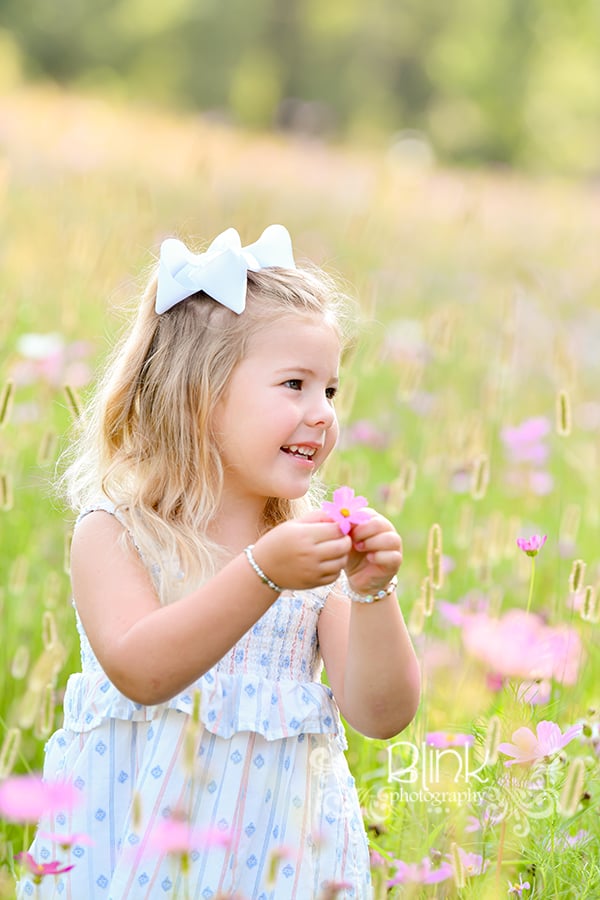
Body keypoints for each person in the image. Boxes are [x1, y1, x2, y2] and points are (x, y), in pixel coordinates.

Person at [17, 224, 420, 899]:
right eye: (295, 384)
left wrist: (375, 591)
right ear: (199, 396)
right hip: (137, 842)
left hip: (278, 860)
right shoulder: (117, 532)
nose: (322, 414)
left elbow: (380, 715)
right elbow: (143, 672)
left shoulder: (312, 554)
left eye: (330, 391)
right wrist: (262, 574)